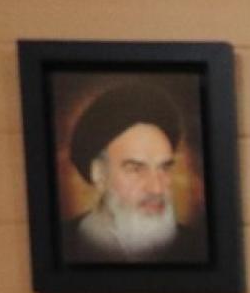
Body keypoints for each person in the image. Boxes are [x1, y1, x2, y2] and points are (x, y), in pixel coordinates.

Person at [60, 80, 207, 265]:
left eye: (164, 167)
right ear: (99, 174)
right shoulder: (63, 244)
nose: (156, 188)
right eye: (136, 169)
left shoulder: (196, 248)